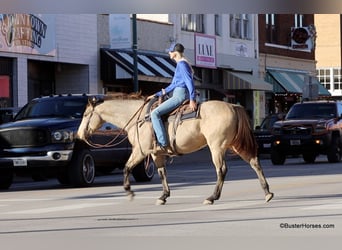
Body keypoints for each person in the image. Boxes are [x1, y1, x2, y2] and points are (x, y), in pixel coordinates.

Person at [147, 43, 197, 154]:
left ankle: (162, 144)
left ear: (175, 53)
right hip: (178, 93)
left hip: (179, 95)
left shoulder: (182, 64)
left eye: (170, 51)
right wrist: (157, 94)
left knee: (154, 113)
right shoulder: (182, 64)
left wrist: (192, 99)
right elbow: (173, 85)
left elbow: (189, 82)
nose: (169, 53)